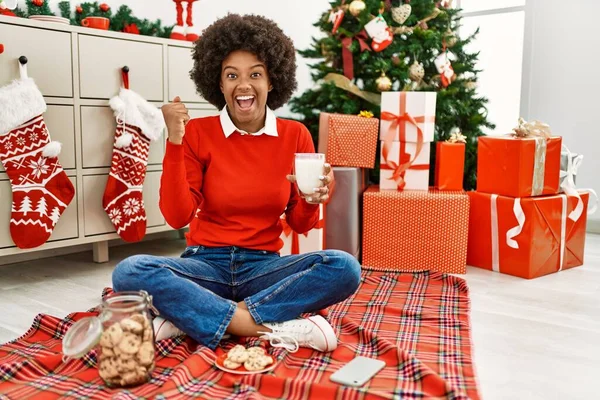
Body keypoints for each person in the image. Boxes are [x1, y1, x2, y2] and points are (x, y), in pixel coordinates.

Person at [112, 14, 361, 352]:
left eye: (255, 74)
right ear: (219, 83)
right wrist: (173, 140)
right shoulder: (198, 133)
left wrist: (314, 198)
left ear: (272, 81)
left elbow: (302, 224)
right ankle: (258, 324)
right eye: (232, 76)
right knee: (131, 270)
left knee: (344, 267)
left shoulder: (295, 135)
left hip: (263, 268)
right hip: (205, 265)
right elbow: (176, 217)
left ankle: (196, 318)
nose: (243, 85)